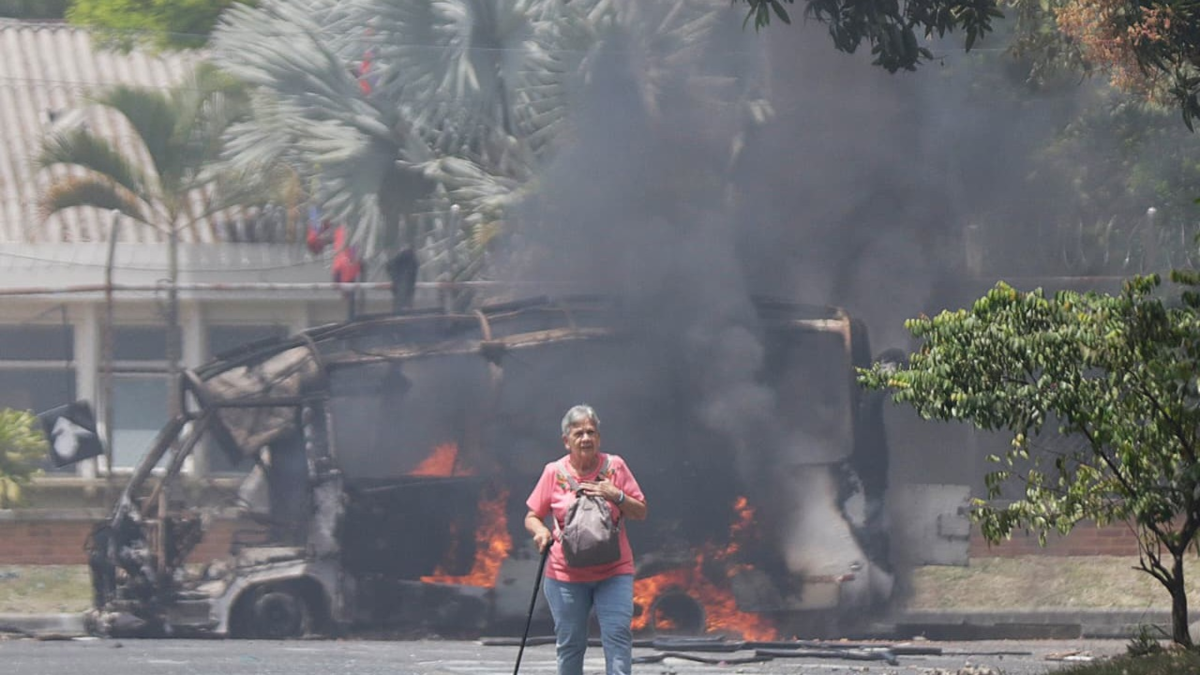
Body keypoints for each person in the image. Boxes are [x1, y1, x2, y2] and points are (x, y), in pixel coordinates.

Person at [525, 404, 648, 675]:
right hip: (565, 577)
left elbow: (640, 511)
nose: (585, 438)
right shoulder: (553, 473)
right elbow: (532, 515)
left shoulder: (615, 467)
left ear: (599, 438)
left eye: (591, 432)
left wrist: (616, 495)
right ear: (565, 440)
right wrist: (540, 531)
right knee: (570, 644)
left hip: (614, 572)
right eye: (578, 432)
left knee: (617, 637)